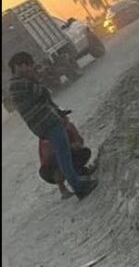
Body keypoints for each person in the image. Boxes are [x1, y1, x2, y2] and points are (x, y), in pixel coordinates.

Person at [8, 52, 98, 200]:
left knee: (65, 155)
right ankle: (79, 187)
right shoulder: (20, 83)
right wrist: (33, 77)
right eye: (27, 65)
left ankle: (77, 181)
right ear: (18, 66)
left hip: (44, 123)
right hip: (47, 122)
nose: (29, 68)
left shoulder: (17, 84)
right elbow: (43, 92)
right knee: (64, 157)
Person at [38, 116, 93, 199]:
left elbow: (80, 142)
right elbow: (49, 158)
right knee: (59, 162)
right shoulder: (49, 134)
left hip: (68, 157)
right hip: (52, 167)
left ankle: (80, 173)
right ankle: (65, 188)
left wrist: (75, 140)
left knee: (83, 153)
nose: (66, 118)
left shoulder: (68, 128)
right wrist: (69, 147)